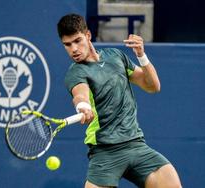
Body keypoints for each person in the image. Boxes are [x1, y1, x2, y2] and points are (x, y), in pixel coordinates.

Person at [57, 13, 182, 188]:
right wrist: (83, 106)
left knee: (170, 181)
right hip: (105, 151)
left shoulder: (115, 56)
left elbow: (152, 86)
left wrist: (141, 55)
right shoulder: (76, 72)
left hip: (136, 144)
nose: (74, 49)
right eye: (67, 45)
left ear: (88, 35)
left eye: (77, 41)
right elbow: (80, 94)